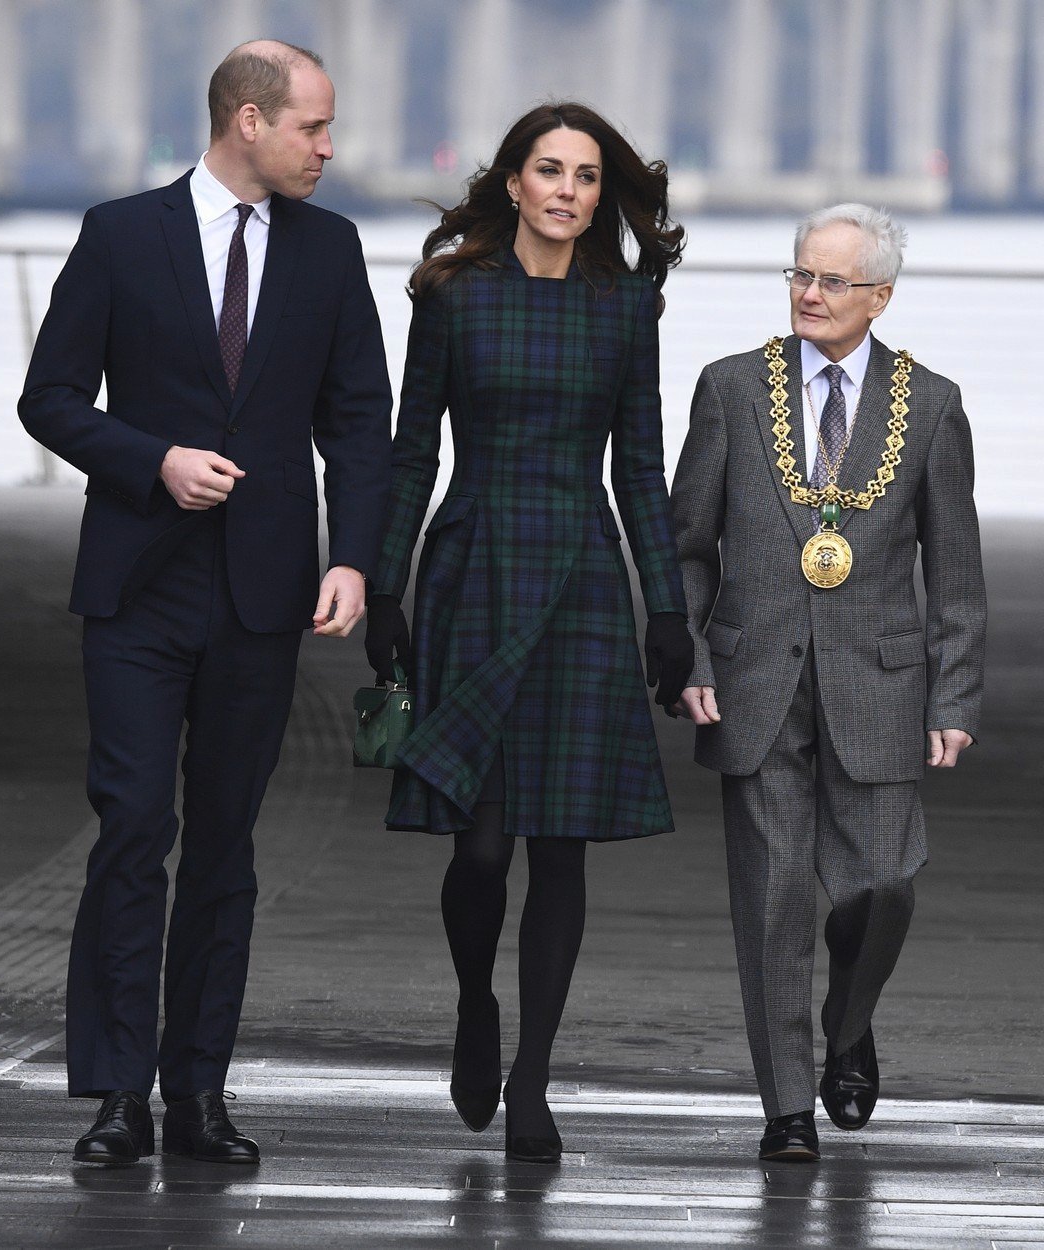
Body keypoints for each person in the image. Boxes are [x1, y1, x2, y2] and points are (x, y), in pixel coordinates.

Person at [18, 41, 392, 1166]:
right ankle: (118, 1092)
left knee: (225, 845)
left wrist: (354, 558)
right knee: (134, 827)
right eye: (312, 128)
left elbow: (359, 419)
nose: (329, 148)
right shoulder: (121, 234)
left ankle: (199, 1093)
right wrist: (153, 460)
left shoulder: (330, 250)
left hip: (263, 592)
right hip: (137, 585)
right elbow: (47, 398)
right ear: (246, 119)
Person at [364, 103, 693, 1163]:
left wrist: (668, 609)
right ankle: (474, 999)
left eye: (587, 176)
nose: (567, 191)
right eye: (548, 170)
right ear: (510, 182)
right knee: (482, 843)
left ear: (604, 194)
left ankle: (535, 1078)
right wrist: (384, 585)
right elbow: (411, 450)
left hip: (586, 579)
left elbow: (640, 465)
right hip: (472, 567)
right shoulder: (453, 295)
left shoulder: (625, 302)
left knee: (559, 843)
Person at [670, 203, 986, 1161]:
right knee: (771, 904)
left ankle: (850, 1021)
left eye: (832, 281)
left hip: (883, 684)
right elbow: (685, 546)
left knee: (883, 883)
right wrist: (687, 657)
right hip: (755, 679)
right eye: (799, 274)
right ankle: (788, 1109)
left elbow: (957, 570)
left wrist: (955, 696)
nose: (809, 293)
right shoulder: (729, 388)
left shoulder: (930, 404)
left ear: (879, 297)